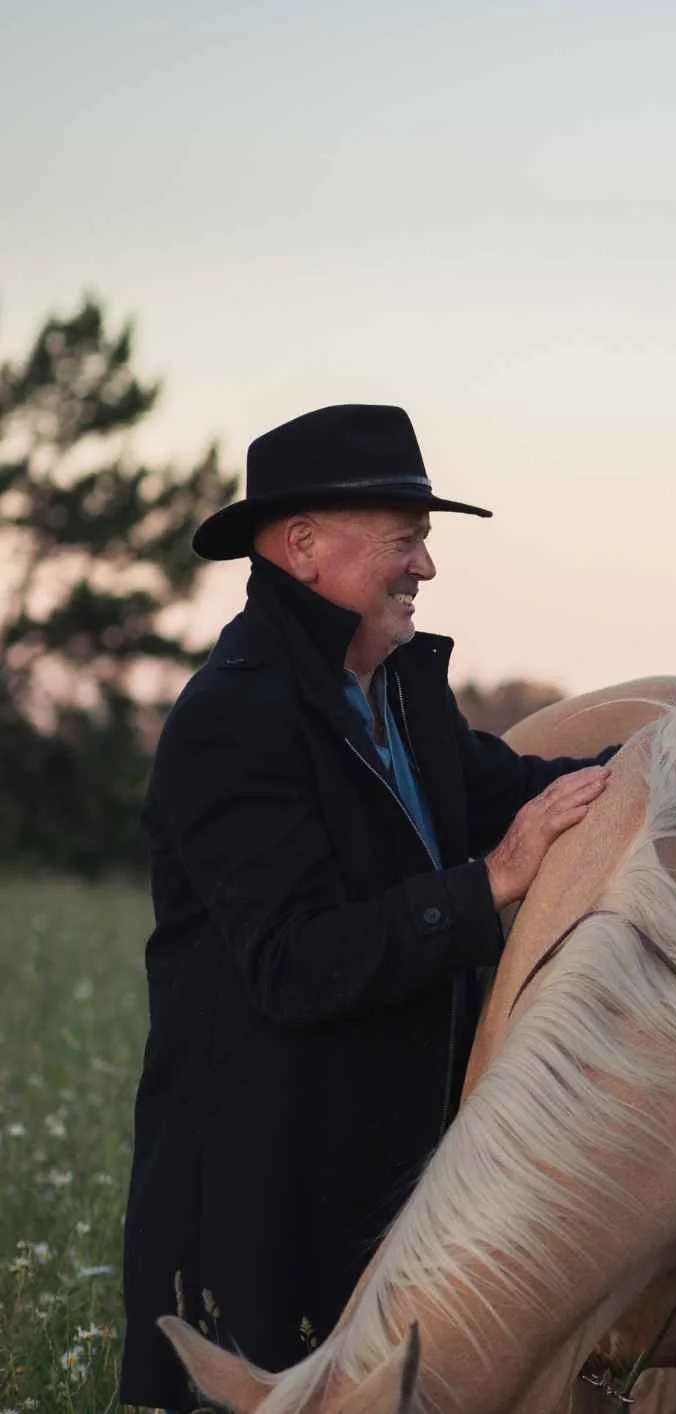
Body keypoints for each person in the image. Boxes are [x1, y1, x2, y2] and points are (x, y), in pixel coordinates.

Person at [118, 404, 615, 1411]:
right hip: (266, 1202)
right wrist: (491, 882)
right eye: (406, 540)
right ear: (302, 547)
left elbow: (514, 784)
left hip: (394, 1185)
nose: (424, 568)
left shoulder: (398, 692)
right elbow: (296, 963)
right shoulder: (233, 719)